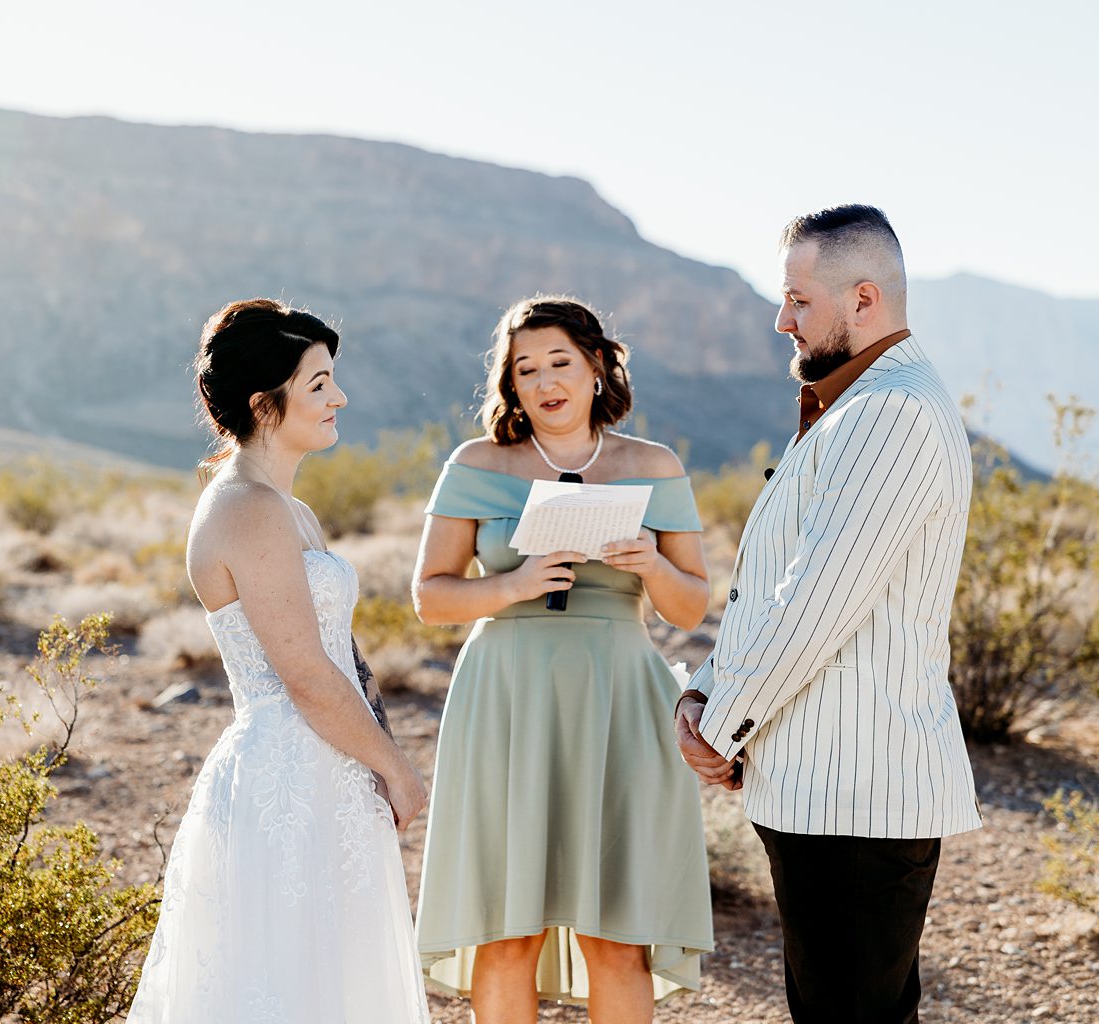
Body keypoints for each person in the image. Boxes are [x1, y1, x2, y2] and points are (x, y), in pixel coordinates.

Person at [674, 206, 981, 1024]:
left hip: (858, 792)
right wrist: (705, 691)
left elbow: (813, 605)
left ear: (865, 299)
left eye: (799, 300)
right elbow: (774, 590)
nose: (782, 319)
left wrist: (717, 724)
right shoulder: (854, 406)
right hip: (825, 786)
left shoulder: (890, 413)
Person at [127, 298, 431, 1024]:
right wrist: (398, 769)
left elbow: (342, 656)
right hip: (286, 778)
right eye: (319, 384)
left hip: (332, 767)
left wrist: (377, 757)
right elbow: (303, 674)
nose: (339, 398)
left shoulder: (290, 510)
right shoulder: (246, 509)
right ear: (266, 403)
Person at [412, 296, 714, 1023]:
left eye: (561, 363)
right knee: (507, 932)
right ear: (509, 386)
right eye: (526, 369)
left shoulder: (652, 465)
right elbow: (428, 597)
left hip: (619, 700)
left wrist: (650, 563)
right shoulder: (477, 463)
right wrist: (512, 584)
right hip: (507, 698)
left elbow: (692, 607)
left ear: (597, 368)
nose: (545, 381)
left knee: (617, 936)